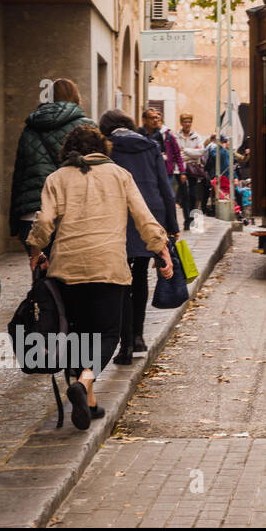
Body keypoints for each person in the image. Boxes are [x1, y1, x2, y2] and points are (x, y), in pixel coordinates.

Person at [26, 126, 173, 431]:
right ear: (103, 149)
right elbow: (143, 217)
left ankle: (89, 403)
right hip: (108, 267)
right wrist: (161, 249)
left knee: (80, 337)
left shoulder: (57, 178)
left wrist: (36, 249)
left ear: (68, 150)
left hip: (68, 269)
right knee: (108, 335)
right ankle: (84, 383)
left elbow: (44, 221)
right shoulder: (119, 175)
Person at [100, 110, 179, 365]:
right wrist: (172, 225)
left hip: (120, 215)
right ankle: (138, 337)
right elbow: (165, 186)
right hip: (149, 213)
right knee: (141, 275)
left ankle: (124, 345)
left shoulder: (107, 148)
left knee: (122, 281)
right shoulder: (150, 145)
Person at [9, 78, 93, 248]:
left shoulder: (30, 128)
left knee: (40, 269)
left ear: (51, 97)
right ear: (76, 96)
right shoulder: (87, 127)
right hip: (74, 213)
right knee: (72, 272)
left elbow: (19, 176)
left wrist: (14, 223)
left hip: (34, 215)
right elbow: (96, 173)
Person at [175, 113, 206, 229]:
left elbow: (201, 152)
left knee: (193, 195)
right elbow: (177, 155)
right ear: (181, 123)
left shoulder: (196, 136)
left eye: (189, 122)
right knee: (184, 195)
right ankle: (187, 221)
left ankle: (192, 218)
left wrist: (185, 151)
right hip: (180, 168)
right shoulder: (176, 136)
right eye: (185, 122)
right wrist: (192, 152)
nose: (187, 124)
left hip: (193, 168)